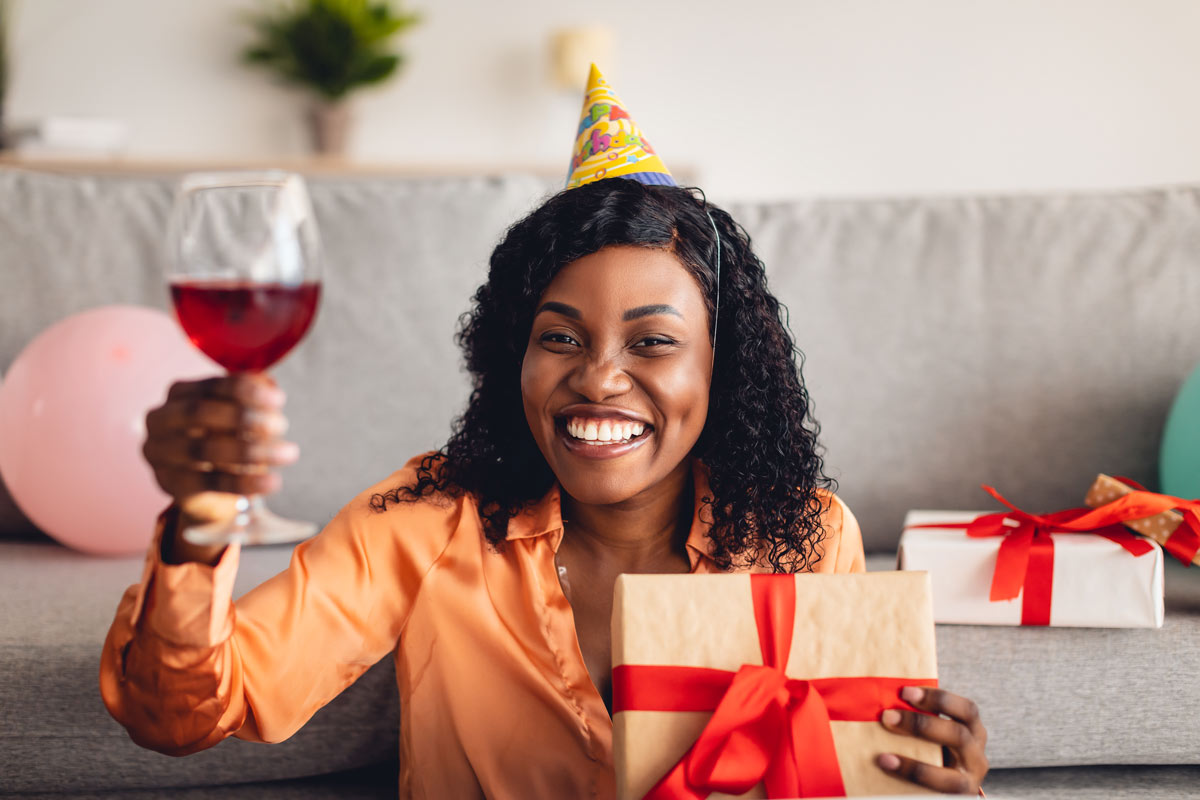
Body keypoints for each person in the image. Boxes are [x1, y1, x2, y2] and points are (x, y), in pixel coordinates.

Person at [101, 67, 989, 798]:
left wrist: (937, 778)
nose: (598, 377)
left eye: (653, 342)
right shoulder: (424, 522)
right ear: (509, 356)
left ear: (722, 368)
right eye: (559, 336)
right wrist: (200, 518)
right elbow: (179, 715)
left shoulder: (805, 535)